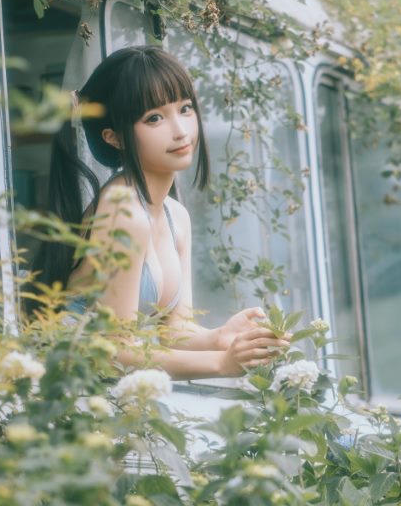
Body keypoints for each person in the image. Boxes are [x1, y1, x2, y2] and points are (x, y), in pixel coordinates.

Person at [27, 45, 287, 378]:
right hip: (65, 388)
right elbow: (112, 352)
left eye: (185, 109)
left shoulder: (176, 216)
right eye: (154, 118)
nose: (180, 130)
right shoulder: (123, 211)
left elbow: (174, 329)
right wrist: (222, 364)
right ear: (114, 138)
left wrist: (221, 337)